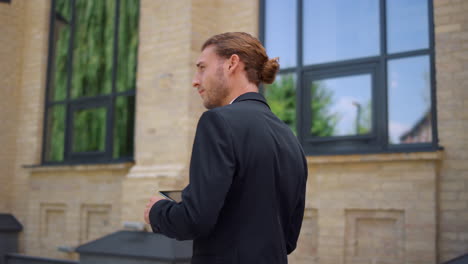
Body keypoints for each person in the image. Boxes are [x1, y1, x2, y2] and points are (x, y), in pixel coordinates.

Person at [143, 32, 307, 264]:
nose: (195, 80)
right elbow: (288, 240)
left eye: (202, 67)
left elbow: (193, 219)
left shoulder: (218, 122)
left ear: (232, 63)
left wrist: (157, 211)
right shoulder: (289, 137)